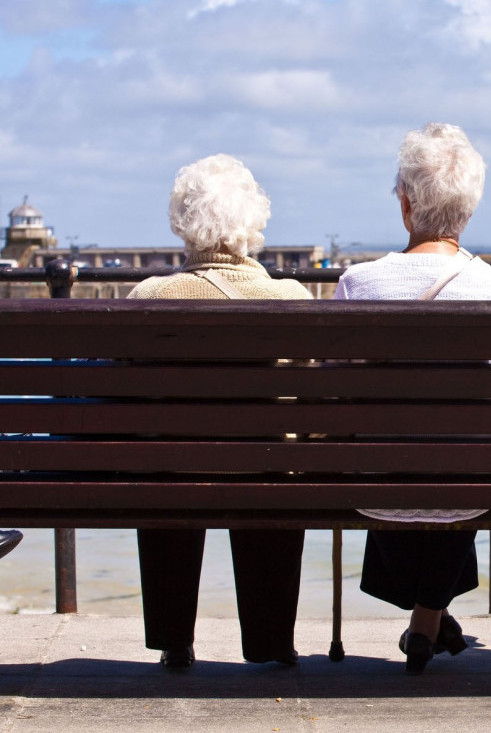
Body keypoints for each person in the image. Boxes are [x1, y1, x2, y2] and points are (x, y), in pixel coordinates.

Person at [334, 123, 491, 675]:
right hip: (471, 485)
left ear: (405, 204)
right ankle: (428, 620)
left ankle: (426, 621)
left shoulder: (360, 283)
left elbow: (336, 391)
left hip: (378, 484)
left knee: (404, 448)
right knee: (461, 450)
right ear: (469, 210)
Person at [128, 154, 312, 669]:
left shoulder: (149, 297)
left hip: (172, 476)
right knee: (275, 462)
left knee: (167, 459)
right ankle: (271, 641)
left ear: (183, 224)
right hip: (265, 474)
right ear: (253, 223)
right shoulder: (290, 298)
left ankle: (173, 639)